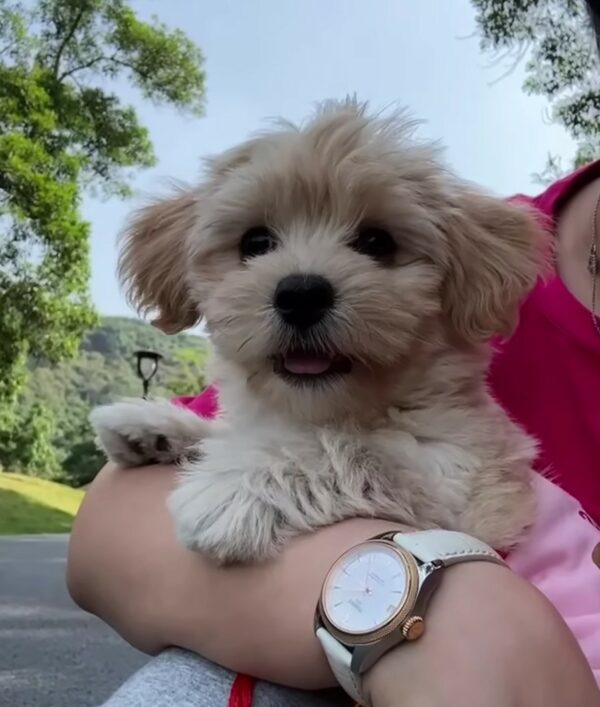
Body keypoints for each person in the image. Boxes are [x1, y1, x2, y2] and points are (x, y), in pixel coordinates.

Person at [67, 4, 600, 705]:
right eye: (257, 243)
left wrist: (282, 480)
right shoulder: (285, 408)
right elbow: (117, 536)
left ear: (461, 280)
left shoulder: (450, 429)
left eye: (376, 241)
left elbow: (464, 501)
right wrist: (213, 443)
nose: (303, 280)